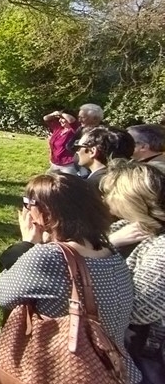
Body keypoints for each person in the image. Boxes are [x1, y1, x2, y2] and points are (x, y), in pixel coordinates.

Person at [0, 172, 141, 384]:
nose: (25, 211)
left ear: (46, 212)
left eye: (28, 203)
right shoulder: (111, 253)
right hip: (117, 370)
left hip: (66, 370)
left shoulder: (49, 257)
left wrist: (28, 244)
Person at [102, 161, 165, 382]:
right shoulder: (126, 227)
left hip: (145, 354)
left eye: (111, 193)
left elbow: (141, 310)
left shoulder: (161, 249)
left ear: (130, 199)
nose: (106, 199)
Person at [69, 103, 105, 177]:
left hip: (96, 171)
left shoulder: (105, 132)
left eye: (83, 117)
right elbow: (69, 146)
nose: (79, 120)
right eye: (79, 117)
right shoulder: (81, 129)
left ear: (95, 118)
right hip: (79, 169)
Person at [43, 110, 79, 174]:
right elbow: (45, 118)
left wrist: (61, 114)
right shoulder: (58, 128)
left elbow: (72, 120)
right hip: (55, 163)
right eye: (59, 118)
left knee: (66, 183)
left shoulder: (74, 130)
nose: (60, 120)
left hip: (67, 165)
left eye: (62, 119)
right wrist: (53, 114)